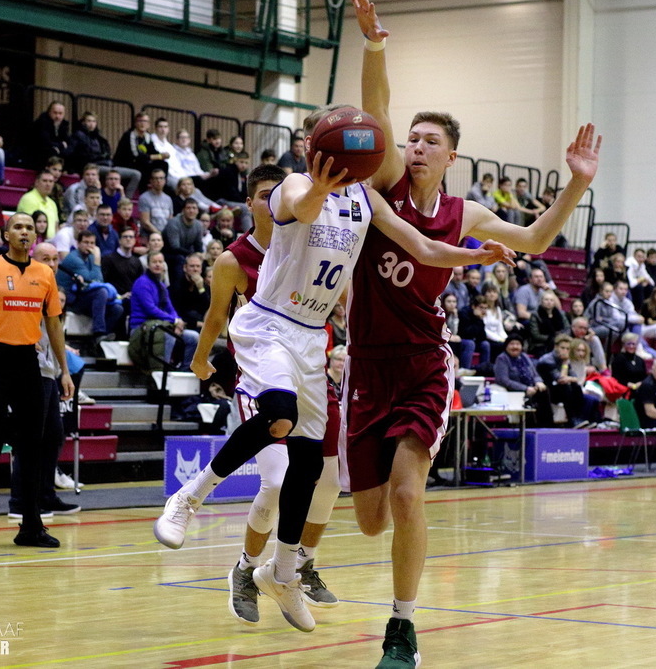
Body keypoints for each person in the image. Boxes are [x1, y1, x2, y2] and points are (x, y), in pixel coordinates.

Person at [153, 102, 512, 637]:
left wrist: (475, 257)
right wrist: (320, 185)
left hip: (311, 339)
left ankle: (285, 571)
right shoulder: (292, 186)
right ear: (311, 148)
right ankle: (189, 497)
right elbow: (300, 205)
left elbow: (421, 246)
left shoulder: (368, 200)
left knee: (312, 465)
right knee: (277, 414)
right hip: (269, 324)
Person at [347, 0, 601, 664]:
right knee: (371, 517)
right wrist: (375, 45)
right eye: (412, 138)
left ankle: (402, 627)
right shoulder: (390, 184)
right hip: (367, 362)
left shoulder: (465, 211)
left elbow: (538, 237)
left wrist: (574, 187)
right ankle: (389, 588)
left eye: (430, 140)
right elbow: (377, 110)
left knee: (408, 491)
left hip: (426, 361)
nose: (414, 146)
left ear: (452, 156)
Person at [187, 164, 342, 624]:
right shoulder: (234, 259)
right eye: (263, 194)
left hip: (312, 370)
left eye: (280, 191)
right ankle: (245, 569)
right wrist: (201, 358)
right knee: (275, 482)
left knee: (329, 482)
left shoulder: (313, 238)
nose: (274, 199)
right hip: (263, 378)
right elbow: (216, 316)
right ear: (252, 203)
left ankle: (298, 565)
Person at [0, 213, 73, 549]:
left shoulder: (45, 274)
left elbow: (54, 325)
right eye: (18, 227)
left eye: (29, 228)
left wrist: (64, 370)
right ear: (7, 234)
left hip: (27, 362)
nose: (24, 232)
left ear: (35, 236)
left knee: (32, 446)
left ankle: (30, 526)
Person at [7, 242, 81, 519]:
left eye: (55, 259)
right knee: (30, 437)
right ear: (31, 260)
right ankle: (19, 502)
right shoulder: (23, 287)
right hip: (27, 371)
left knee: (52, 435)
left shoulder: (51, 292)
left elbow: (55, 336)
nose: (51, 264)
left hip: (49, 371)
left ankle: (45, 495)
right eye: (45, 259)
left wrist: (65, 371)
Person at [128, 251, 199, 370]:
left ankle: (184, 371)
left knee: (193, 337)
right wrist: (174, 321)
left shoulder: (161, 286)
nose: (157, 264)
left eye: (160, 262)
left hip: (161, 324)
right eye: (154, 262)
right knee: (169, 334)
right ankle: (162, 370)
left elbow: (170, 308)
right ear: (148, 265)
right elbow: (150, 309)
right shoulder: (142, 282)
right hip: (141, 327)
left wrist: (178, 322)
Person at [57, 230, 124, 341]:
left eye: (92, 243)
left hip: (83, 294)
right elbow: (94, 280)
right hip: (70, 300)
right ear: (78, 244)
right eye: (86, 242)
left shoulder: (90, 257)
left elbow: (98, 281)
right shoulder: (73, 258)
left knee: (117, 308)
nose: (89, 246)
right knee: (101, 292)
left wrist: (95, 259)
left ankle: (102, 338)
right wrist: (98, 259)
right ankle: (98, 333)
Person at [68, 113, 141, 195]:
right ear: (83, 122)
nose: (91, 124)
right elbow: (73, 153)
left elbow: (107, 152)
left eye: (94, 121)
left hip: (107, 164)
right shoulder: (78, 135)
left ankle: (127, 200)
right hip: (92, 166)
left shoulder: (99, 137)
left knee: (136, 174)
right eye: (89, 121)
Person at [493, 334, 553, 426]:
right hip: (515, 391)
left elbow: (534, 373)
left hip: (531, 388)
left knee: (544, 390)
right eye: (512, 344)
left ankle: (548, 426)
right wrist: (525, 388)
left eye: (518, 344)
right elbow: (503, 380)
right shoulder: (502, 358)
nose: (515, 347)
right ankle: (532, 427)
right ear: (506, 346)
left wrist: (538, 382)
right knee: (533, 398)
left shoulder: (524, 356)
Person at [114, 112, 170, 188]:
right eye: (140, 121)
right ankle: (145, 188)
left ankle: (162, 185)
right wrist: (158, 156)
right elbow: (135, 155)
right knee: (144, 166)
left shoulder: (147, 136)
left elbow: (152, 151)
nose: (142, 124)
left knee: (163, 164)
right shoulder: (130, 135)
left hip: (141, 162)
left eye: (145, 121)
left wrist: (162, 155)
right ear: (135, 123)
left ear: (149, 124)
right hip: (126, 163)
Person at [29, 102, 71, 169]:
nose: (57, 116)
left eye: (60, 113)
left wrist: (59, 147)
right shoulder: (42, 123)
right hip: (38, 155)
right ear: (49, 112)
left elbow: (68, 142)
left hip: (55, 153)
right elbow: (45, 142)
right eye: (55, 113)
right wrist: (61, 145)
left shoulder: (64, 125)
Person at [527, 289, 568, 357]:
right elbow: (535, 335)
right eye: (546, 300)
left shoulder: (561, 314)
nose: (549, 302)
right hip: (541, 344)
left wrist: (560, 338)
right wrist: (551, 338)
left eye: (551, 300)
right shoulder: (535, 315)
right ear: (541, 301)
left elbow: (567, 328)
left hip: (560, 342)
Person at [138, 166, 175, 235]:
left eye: (161, 178)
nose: (159, 181)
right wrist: (159, 234)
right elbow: (145, 222)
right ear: (151, 181)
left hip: (165, 235)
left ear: (165, 180)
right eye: (156, 178)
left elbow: (170, 220)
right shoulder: (144, 198)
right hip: (149, 236)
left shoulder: (168, 199)